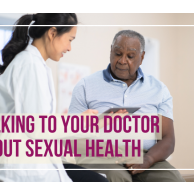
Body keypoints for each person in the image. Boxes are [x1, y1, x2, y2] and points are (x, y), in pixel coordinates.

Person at [0, 13, 109, 182]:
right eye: (70, 39)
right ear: (52, 33)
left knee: (96, 178)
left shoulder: (36, 64)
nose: (69, 47)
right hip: (18, 166)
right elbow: (37, 128)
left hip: (29, 160)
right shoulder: (30, 65)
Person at [68, 30, 185, 182]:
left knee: (173, 178)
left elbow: (168, 139)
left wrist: (148, 159)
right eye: (117, 53)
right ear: (111, 51)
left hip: (143, 155)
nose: (122, 60)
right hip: (99, 154)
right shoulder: (85, 86)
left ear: (141, 57)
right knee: (119, 176)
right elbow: (71, 135)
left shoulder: (159, 90)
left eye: (130, 56)